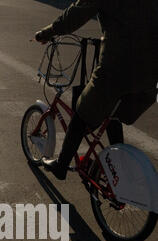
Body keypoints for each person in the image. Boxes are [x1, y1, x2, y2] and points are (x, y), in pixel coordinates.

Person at [35, 0, 158, 180]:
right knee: (111, 110)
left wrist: (46, 33)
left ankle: (61, 166)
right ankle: (120, 166)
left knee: (82, 111)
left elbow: (73, 17)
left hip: (118, 70)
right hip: (150, 74)